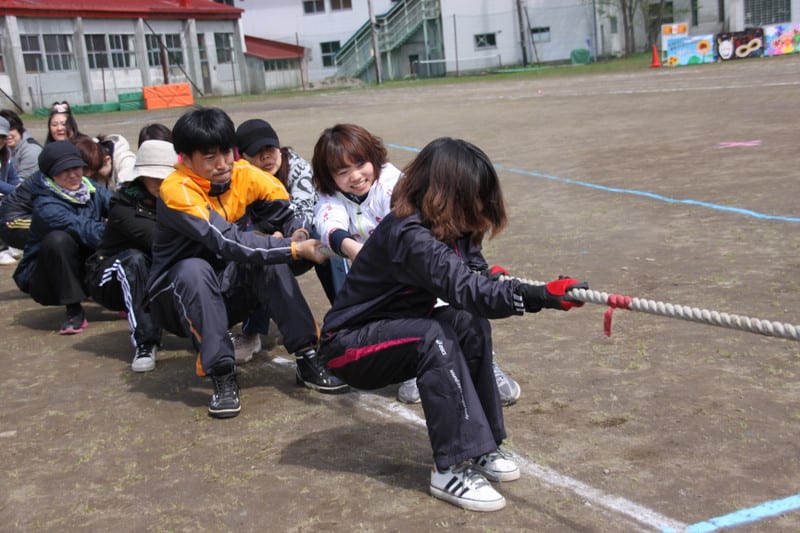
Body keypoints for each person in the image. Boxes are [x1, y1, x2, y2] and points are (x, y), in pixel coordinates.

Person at [317, 137, 589, 512]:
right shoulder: (409, 233)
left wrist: (521, 286)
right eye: (472, 194)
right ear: (448, 191)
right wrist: (541, 297)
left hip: (398, 327)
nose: (480, 203)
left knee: (467, 321)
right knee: (434, 336)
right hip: (348, 346)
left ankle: (484, 447)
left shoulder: (451, 225)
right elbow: (468, 289)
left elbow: (475, 279)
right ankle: (449, 469)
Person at [146, 107, 348, 420]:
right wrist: (293, 248)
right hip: (174, 299)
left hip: (224, 291)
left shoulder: (244, 174)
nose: (222, 164)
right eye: (209, 157)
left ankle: (308, 356)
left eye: (226, 152)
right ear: (185, 158)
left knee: (265, 262)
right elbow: (226, 241)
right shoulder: (176, 191)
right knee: (194, 268)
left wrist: (298, 230)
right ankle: (222, 374)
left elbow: (286, 210)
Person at [312, 124, 521, 406]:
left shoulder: (392, 183)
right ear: (330, 178)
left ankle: (486, 364)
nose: (355, 176)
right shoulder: (331, 197)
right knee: (406, 320)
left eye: (360, 164)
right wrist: (353, 248)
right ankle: (416, 367)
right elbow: (328, 224)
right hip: (384, 279)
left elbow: (406, 221)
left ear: (374, 158)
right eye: (342, 172)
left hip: (418, 263)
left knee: (456, 308)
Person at [231, 118, 341, 362]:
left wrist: (295, 238)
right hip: (267, 245)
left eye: (270, 149)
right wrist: (270, 237)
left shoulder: (296, 167)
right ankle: (252, 331)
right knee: (255, 254)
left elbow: (303, 210)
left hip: (300, 246)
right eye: (257, 153)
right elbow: (239, 225)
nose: (267, 157)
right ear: (243, 158)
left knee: (327, 241)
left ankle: (349, 317)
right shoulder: (237, 178)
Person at [84, 140, 177, 372]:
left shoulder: (176, 197)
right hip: (109, 277)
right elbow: (159, 241)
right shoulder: (124, 205)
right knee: (134, 260)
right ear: (141, 176)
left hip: (152, 271)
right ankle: (146, 342)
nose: (160, 182)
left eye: (165, 177)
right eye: (154, 177)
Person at [13, 141, 111, 334]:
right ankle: (73, 309)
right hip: (45, 278)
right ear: (51, 174)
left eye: (76, 167)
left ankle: (121, 298)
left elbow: (120, 208)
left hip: (83, 264)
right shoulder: (45, 205)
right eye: (63, 170)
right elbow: (85, 230)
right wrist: (119, 231)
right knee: (58, 240)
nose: (73, 174)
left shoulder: (92, 189)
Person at [0, 116, 21, 265]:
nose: (0, 140)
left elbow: (13, 177)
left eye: (2, 136)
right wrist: (13, 190)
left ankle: (10, 241)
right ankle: (1, 249)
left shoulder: (6, 154)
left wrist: (19, 188)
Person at [0, 109, 42, 181]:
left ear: (19, 128)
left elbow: (23, 183)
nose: (7, 134)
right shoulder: (4, 147)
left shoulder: (31, 150)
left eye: (10, 129)